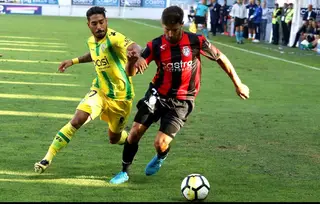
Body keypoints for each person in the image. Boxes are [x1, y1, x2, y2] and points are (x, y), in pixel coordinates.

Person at [109, 5, 250, 185]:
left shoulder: (196, 41)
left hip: (182, 101)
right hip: (157, 95)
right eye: (166, 29)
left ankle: (162, 155)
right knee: (135, 132)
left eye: (173, 30)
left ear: (182, 25)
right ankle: (124, 172)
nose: (169, 34)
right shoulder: (156, 45)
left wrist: (238, 84)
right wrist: (131, 62)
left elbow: (221, 58)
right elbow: (131, 73)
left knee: (160, 143)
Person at [34, 6, 141, 174]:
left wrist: (138, 56)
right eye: (94, 24)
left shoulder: (114, 38)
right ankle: (47, 158)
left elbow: (134, 46)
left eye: (101, 22)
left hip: (121, 97)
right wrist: (73, 61)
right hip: (99, 91)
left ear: (106, 22)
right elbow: (94, 53)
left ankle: (130, 140)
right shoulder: (92, 41)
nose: (99, 27)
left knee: (114, 138)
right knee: (77, 120)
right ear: (88, 25)